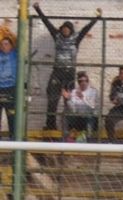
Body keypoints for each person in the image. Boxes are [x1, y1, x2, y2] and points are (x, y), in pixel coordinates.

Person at [33, 3, 101, 131]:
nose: (65, 30)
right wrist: (38, 9)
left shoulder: (76, 39)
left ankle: (71, 126)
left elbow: (86, 29)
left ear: (71, 30)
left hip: (69, 74)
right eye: (63, 28)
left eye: (67, 29)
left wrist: (96, 18)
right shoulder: (57, 36)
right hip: (57, 73)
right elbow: (47, 23)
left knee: (69, 102)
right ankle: (50, 126)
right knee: (52, 100)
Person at [62, 71, 97, 141]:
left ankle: (89, 140)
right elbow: (73, 110)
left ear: (88, 81)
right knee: (65, 115)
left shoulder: (93, 91)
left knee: (90, 118)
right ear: (78, 82)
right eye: (81, 81)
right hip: (77, 116)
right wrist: (68, 100)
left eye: (85, 81)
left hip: (88, 116)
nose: (83, 83)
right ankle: (66, 139)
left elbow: (92, 107)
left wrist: (82, 97)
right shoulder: (74, 91)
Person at [0, 37, 17, 139]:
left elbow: (17, 39)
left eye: (6, 44)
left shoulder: (15, 54)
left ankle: (13, 138)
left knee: (11, 115)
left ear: (11, 45)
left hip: (10, 88)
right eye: (2, 44)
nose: (4, 46)